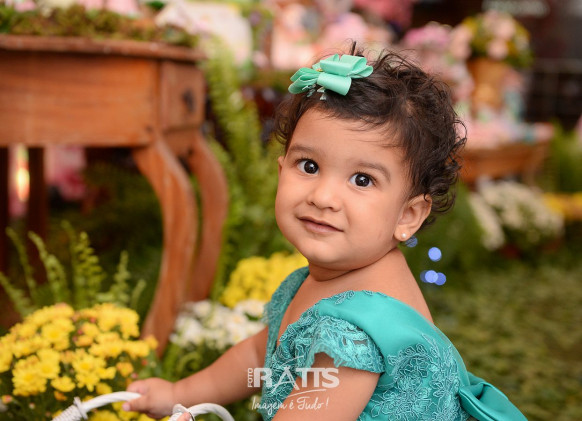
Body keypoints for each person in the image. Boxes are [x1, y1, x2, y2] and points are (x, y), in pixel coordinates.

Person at [124, 44, 526, 421]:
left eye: (362, 180)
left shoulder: (354, 336)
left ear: (407, 215)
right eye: (309, 166)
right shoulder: (333, 276)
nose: (324, 197)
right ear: (281, 169)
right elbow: (262, 356)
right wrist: (179, 393)